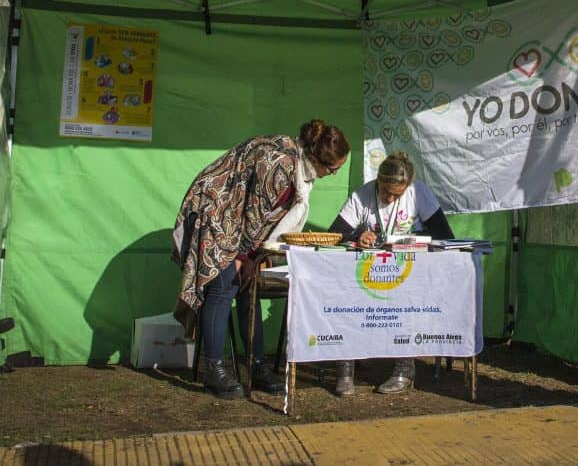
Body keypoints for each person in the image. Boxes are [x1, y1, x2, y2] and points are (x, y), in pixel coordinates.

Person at [172, 120, 349, 399]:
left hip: (236, 218)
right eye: (333, 169)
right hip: (215, 211)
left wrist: (253, 259)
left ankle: (257, 366)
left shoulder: (300, 165)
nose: (333, 174)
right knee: (223, 287)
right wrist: (244, 257)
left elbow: (262, 217)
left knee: (249, 287)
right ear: (316, 158)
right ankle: (214, 370)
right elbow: (253, 214)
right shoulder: (280, 164)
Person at [327, 151, 454, 397]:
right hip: (367, 272)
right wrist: (357, 236)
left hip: (409, 271)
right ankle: (345, 371)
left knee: (408, 302)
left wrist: (412, 240)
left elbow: (445, 235)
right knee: (344, 299)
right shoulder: (362, 196)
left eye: (397, 194)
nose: (389, 198)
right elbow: (335, 233)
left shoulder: (420, 193)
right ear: (378, 181)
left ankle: (404, 371)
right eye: (385, 191)